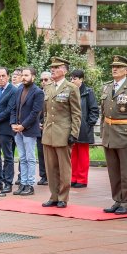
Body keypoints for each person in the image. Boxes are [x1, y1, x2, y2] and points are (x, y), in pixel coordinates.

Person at [42, 57, 81, 208]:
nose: (52, 69)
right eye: (51, 67)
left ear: (64, 70)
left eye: (56, 67)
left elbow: (76, 113)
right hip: (49, 132)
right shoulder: (48, 87)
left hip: (63, 133)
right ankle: (54, 195)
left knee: (64, 167)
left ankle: (63, 197)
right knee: (50, 167)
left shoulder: (71, 88)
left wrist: (74, 133)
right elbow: (46, 112)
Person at [10, 67, 44, 196]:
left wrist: (23, 126)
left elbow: (35, 112)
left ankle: (30, 184)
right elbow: (13, 108)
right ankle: (23, 183)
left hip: (29, 130)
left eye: (26, 75)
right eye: (22, 75)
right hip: (17, 130)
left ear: (33, 77)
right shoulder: (19, 90)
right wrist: (13, 123)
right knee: (22, 158)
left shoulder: (38, 92)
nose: (24, 77)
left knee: (30, 158)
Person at [101, 55, 127, 215]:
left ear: (126, 70)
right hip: (109, 134)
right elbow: (103, 111)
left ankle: (126, 201)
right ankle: (118, 199)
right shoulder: (107, 87)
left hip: (124, 134)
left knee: (125, 170)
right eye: (113, 66)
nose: (114, 69)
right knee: (113, 170)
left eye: (118, 66)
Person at [69, 70, 99, 188]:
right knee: (73, 155)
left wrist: (88, 125)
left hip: (83, 129)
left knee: (82, 156)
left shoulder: (88, 92)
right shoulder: (70, 91)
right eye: (71, 78)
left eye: (75, 78)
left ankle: (82, 179)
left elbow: (94, 110)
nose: (72, 81)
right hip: (72, 128)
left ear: (81, 79)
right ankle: (73, 177)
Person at [37, 71, 52, 186]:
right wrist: (37, 123)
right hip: (39, 128)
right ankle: (43, 176)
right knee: (41, 152)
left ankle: (52, 175)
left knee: (51, 154)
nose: (43, 82)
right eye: (41, 80)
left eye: (46, 80)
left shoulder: (54, 92)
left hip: (51, 128)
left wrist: (45, 123)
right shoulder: (38, 93)